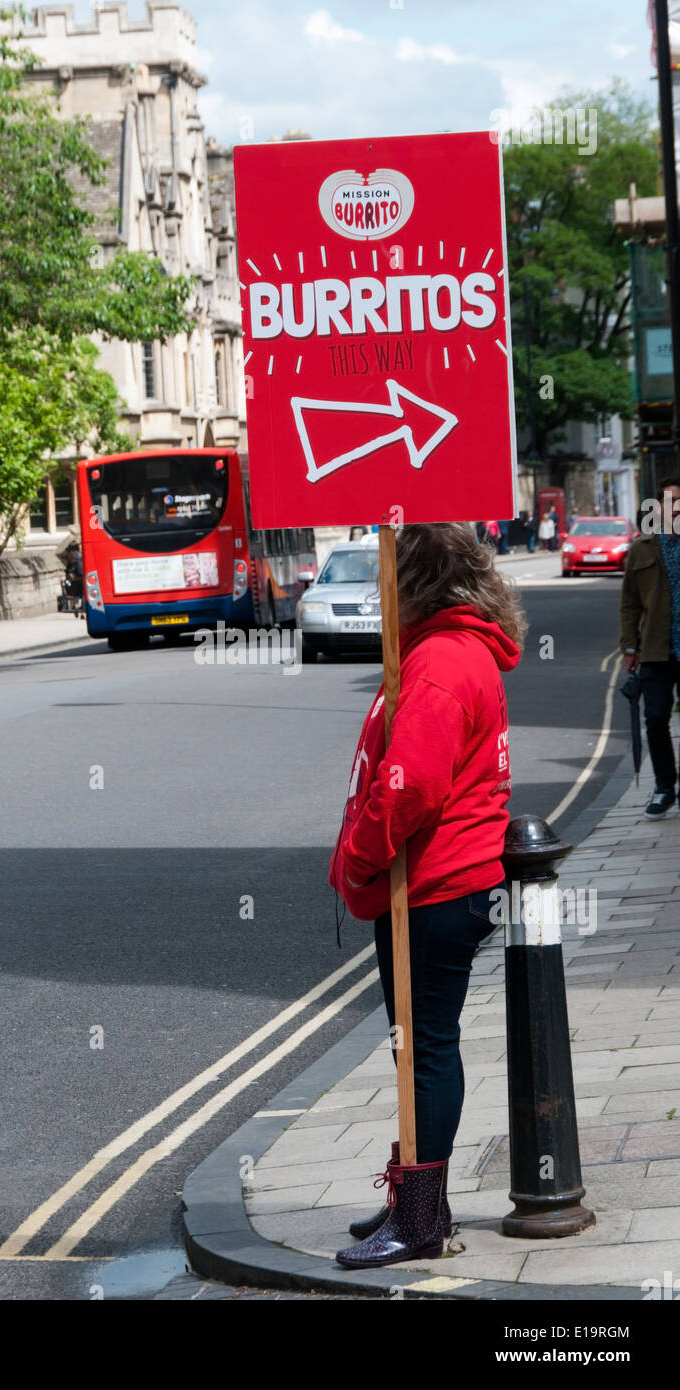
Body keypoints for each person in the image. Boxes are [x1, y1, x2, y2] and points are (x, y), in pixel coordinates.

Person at [329, 523, 524, 1268]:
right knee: (420, 1049)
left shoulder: (440, 660)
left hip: (434, 887)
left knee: (423, 1053)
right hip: (444, 882)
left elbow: (409, 787)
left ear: (410, 582)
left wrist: (356, 858)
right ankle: (417, 1199)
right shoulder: (450, 648)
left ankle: (417, 1221)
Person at [620, 476, 680, 819]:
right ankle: (664, 787)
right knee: (655, 718)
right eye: (669, 503)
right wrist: (629, 647)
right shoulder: (642, 548)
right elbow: (629, 602)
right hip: (655, 650)